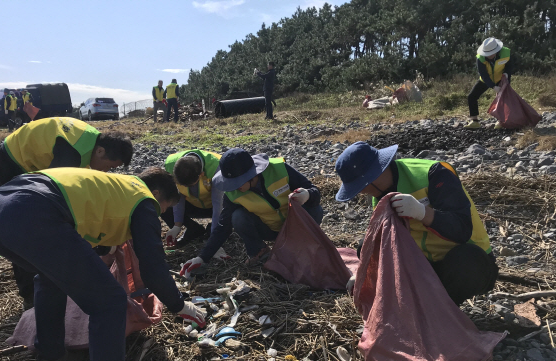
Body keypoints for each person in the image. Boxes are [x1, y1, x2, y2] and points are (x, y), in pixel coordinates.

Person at [0, 167, 205, 361]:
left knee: (51, 277)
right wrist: (179, 304)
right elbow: (152, 267)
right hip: (33, 211)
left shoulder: (115, 187)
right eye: (164, 208)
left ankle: (51, 356)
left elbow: (84, 224)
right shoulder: (144, 200)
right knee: (110, 303)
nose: (160, 214)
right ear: (156, 194)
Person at [0, 117, 134, 310]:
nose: (106, 172)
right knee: (26, 229)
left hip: (33, 163)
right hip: (12, 160)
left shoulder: (90, 144)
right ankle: (30, 294)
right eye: (109, 166)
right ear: (100, 151)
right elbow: (54, 199)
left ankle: (50, 281)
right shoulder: (71, 154)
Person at [334, 141, 498, 305]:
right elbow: (381, 240)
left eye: (360, 187)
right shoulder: (378, 196)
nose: (361, 192)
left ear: (374, 175)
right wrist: (365, 272)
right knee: (365, 248)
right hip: (425, 266)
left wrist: (422, 212)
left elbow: (461, 229)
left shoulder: (434, 174)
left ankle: (442, 313)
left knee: (466, 261)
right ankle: (426, 306)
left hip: (469, 262)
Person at [180, 148, 323, 276]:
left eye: (237, 183)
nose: (234, 188)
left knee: (315, 209)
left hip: (295, 227)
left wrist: (307, 195)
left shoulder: (279, 169)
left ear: (251, 175)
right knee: (238, 217)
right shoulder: (232, 194)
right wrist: (203, 257)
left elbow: (314, 191)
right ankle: (259, 252)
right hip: (270, 229)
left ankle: (300, 246)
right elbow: (223, 227)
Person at [163, 149, 223, 248]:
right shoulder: (170, 165)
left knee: (231, 210)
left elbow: (218, 204)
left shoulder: (216, 166)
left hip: (213, 207)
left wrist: (215, 239)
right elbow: (178, 196)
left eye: (190, 185)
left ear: (201, 174)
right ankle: (193, 230)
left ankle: (213, 230)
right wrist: (177, 226)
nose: (186, 189)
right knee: (164, 203)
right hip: (193, 205)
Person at [465, 38, 514, 130]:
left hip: (501, 78)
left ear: (496, 51)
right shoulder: (480, 58)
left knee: (504, 99)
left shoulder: (506, 53)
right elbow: (484, 75)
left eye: (491, 54)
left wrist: (507, 74)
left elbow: (509, 66)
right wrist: (493, 86)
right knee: (471, 96)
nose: (489, 56)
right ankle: (474, 121)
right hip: (486, 80)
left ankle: (501, 121)